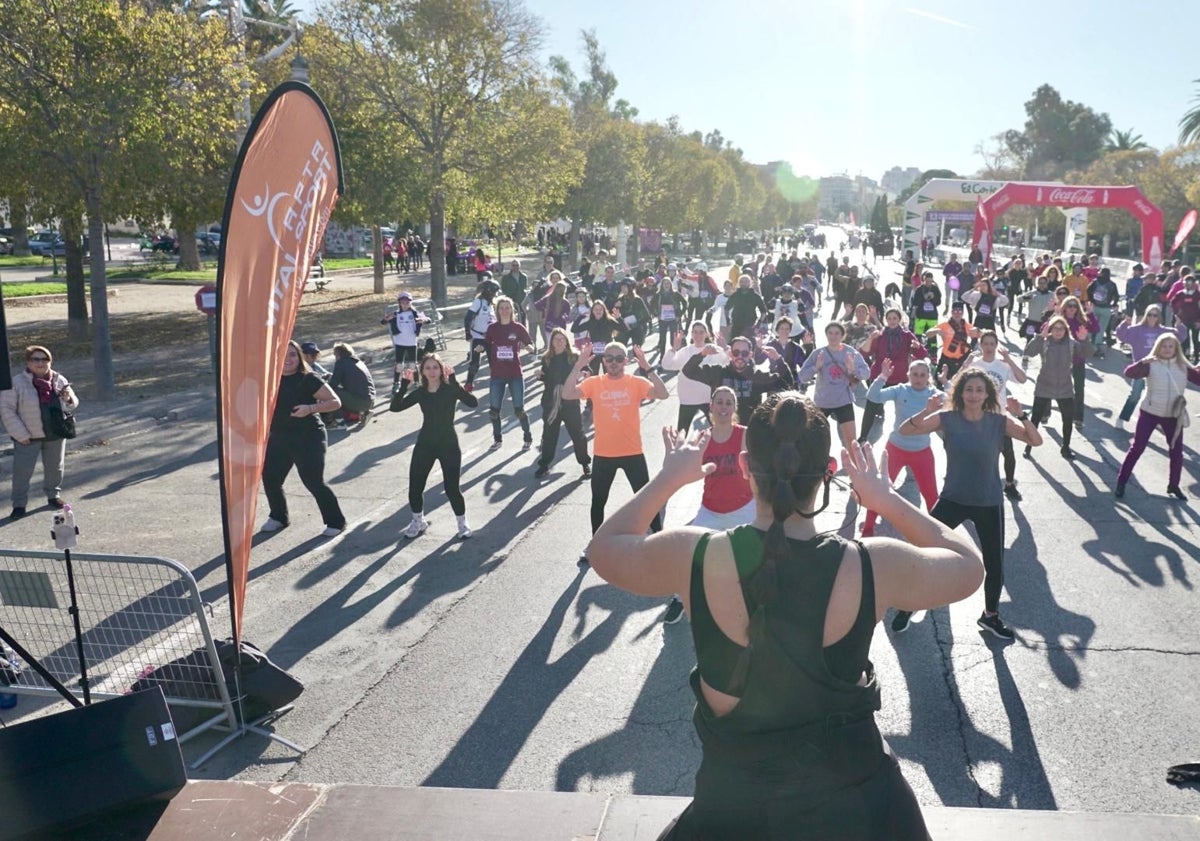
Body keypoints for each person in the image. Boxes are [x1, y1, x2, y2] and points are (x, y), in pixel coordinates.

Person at [587, 392, 984, 840]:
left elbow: (604, 549)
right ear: (829, 471)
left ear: (743, 465)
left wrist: (667, 478)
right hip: (861, 815)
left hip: (732, 815)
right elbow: (969, 567)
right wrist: (886, 498)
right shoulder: (872, 564)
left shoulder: (694, 555)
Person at [892, 369, 1042, 638]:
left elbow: (1035, 440)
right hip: (953, 498)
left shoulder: (999, 421)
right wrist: (926, 411)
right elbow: (904, 430)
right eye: (969, 389)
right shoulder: (947, 418)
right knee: (922, 550)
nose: (973, 394)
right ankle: (907, 605)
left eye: (979, 390)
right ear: (960, 392)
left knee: (994, 564)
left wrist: (1022, 415)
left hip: (988, 500)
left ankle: (990, 616)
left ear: (987, 395)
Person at [563, 342, 668, 563]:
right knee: (598, 501)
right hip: (604, 454)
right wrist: (578, 366)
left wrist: (647, 367)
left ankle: (658, 540)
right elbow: (567, 393)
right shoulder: (595, 383)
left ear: (626, 361)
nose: (614, 362)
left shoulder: (635, 382)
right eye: (609, 358)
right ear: (603, 361)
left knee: (646, 500)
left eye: (619, 358)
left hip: (632, 452)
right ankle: (595, 546)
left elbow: (663, 393)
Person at [259, 340, 346, 537]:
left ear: (299, 357)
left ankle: (336, 521)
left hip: (309, 437)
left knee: (313, 481)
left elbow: (335, 402)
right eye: (283, 355)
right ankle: (279, 517)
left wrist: (310, 408)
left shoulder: (308, 379)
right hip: (280, 437)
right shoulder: (269, 381)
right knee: (270, 477)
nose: (288, 360)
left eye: (292, 355)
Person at [390, 352, 479, 539]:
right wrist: (404, 384)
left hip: (448, 443)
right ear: (422, 371)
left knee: (451, 488)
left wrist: (455, 382)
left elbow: (472, 403)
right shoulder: (421, 393)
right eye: (427, 368)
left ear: (441, 370)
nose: (431, 371)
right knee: (415, 486)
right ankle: (418, 521)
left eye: (435, 367)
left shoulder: (450, 389)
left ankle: (462, 524)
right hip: (426, 444)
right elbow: (395, 407)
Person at [1114, 332, 1200, 499]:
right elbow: (1129, 373)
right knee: (1137, 448)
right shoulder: (1151, 364)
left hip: (1173, 415)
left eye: (1171, 346)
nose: (1167, 349)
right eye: (1164, 346)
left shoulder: (1183, 366)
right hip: (1150, 413)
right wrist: (1141, 362)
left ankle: (1173, 485)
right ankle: (1121, 482)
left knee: (1176, 452)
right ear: (1158, 347)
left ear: (1176, 348)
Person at [861, 359, 940, 539]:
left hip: (922, 451)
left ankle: (938, 533)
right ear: (908, 375)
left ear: (928, 377)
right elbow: (873, 396)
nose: (918, 378)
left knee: (932, 497)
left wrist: (948, 382)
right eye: (915, 374)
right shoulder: (900, 389)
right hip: (895, 449)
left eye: (922, 375)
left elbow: (956, 402)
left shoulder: (934, 394)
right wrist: (882, 376)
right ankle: (868, 528)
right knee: (880, 490)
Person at [0, 346, 79, 519]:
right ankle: (19, 505)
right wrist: (21, 434)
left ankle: (53, 496)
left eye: (45, 359)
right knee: (22, 472)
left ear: (50, 362)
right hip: (28, 437)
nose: (40, 363)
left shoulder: (58, 379)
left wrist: (68, 399)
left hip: (55, 433)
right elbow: (6, 410)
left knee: (55, 468)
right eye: (36, 359)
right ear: (28, 362)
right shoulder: (16, 383)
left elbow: (72, 403)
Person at [962, 331, 1029, 500]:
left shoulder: (1003, 365)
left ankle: (1009, 485)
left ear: (996, 345)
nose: (989, 347)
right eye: (986, 344)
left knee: (1009, 454)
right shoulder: (976, 364)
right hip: (979, 418)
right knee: (978, 454)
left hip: (1000, 416)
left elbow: (1022, 379)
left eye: (992, 344)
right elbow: (957, 383)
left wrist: (1009, 360)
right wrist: (966, 364)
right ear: (981, 345)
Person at [797, 322, 871, 458]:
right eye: (830, 333)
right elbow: (802, 377)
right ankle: (818, 471)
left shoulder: (850, 352)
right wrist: (816, 367)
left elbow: (866, 374)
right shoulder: (819, 353)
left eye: (837, 333)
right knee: (816, 441)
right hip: (822, 402)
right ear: (826, 335)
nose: (833, 336)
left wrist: (853, 368)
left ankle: (855, 476)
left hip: (844, 401)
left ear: (843, 336)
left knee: (851, 442)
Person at [682, 335, 791, 425]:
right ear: (730, 354)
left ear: (750, 355)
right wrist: (702, 354)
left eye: (744, 353)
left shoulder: (757, 377)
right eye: (736, 353)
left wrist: (778, 359)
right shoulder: (719, 372)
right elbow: (688, 371)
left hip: (747, 433)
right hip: (721, 430)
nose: (740, 356)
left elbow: (787, 383)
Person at [1023, 316, 1087, 460]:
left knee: (1067, 419)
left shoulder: (1072, 344)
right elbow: (1029, 351)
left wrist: (1084, 340)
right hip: (1044, 385)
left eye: (1061, 328)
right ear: (1050, 329)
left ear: (1066, 330)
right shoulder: (1044, 342)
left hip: (1064, 387)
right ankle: (1029, 446)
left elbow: (1087, 354)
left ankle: (1065, 447)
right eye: (1055, 328)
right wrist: (1040, 337)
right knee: (1035, 419)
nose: (1058, 331)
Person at [858, 309, 926, 443]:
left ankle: (910, 435)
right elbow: (864, 353)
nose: (892, 321)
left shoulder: (907, 335)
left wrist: (917, 347)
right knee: (871, 406)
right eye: (889, 318)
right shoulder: (880, 335)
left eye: (895, 318)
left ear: (899, 319)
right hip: (880, 376)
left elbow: (922, 355)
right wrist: (871, 338)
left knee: (906, 409)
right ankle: (863, 436)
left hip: (900, 378)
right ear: (886, 320)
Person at [534, 328, 591, 479]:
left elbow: (586, 370)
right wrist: (540, 375)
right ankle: (544, 465)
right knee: (549, 435)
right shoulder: (546, 358)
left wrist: (585, 374)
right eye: (556, 339)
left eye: (562, 339)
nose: (559, 342)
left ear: (567, 341)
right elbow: (548, 379)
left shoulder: (574, 357)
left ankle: (585, 463)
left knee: (577, 434)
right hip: (551, 402)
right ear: (551, 342)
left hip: (570, 402)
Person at [1115, 306, 1183, 423]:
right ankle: (1122, 418)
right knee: (1135, 395)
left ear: (1158, 317)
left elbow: (1179, 337)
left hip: (1158, 369)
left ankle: (1157, 421)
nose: (1152, 318)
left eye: (1155, 315)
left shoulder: (1163, 331)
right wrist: (1124, 324)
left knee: (1158, 397)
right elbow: (1122, 335)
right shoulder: (1137, 329)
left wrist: (1179, 326)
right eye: (1150, 315)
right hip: (1141, 368)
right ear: (1146, 315)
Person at [483, 296, 533, 451]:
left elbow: (529, 342)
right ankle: (497, 440)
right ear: (497, 311)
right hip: (497, 374)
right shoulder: (492, 328)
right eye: (501, 308)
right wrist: (480, 348)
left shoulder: (518, 327)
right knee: (494, 410)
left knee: (519, 409)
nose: (504, 311)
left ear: (512, 310)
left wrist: (530, 347)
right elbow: (485, 343)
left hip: (514, 373)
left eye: (507, 308)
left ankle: (527, 437)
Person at [662, 322, 721, 431]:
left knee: (719, 430)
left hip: (708, 399)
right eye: (695, 332)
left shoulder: (712, 349)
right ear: (691, 334)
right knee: (682, 434)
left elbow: (727, 361)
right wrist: (674, 348)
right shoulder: (685, 351)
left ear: (706, 334)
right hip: (688, 400)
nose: (698, 335)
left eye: (701, 332)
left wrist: (725, 348)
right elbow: (666, 365)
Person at [382, 291, 429, 394]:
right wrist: (387, 319)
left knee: (412, 365)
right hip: (399, 342)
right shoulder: (396, 314)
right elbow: (383, 321)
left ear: (410, 302)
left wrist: (423, 321)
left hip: (411, 342)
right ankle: (396, 384)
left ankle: (417, 382)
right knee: (399, 365)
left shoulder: (414, 313)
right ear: (399, 303)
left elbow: (427, 319)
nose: (405, 304)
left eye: (407, 302)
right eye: (403, 302)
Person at [926, 302, 978, 384]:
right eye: (955, 311)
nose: (957, 313)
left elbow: (979, 334)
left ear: (963, 313)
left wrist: (977, 332)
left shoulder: (967, 326)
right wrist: (936, 331)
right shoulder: (945, 325)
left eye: (960, 311)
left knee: (960, 382)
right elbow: (928, 334)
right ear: (951, 312)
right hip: (947, 358)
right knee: (938, 380)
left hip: (962, 358)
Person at [327, 342, 376, 426]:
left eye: (335, 355)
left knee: (330, 391)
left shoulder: (341, 363)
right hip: (370, 400)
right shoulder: (358, 362)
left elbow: (333, 384)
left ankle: (339, 421)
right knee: (346, 392)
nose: (335, 358)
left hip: (360, 402)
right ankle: (364, 413)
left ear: (339, 354)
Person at [464, 278, 499, 392]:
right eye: (494, 292)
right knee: (475, 364)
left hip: (489, 338)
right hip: (478, 338)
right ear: (489, 291)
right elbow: (468, 317)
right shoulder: (478, 302)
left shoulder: (491, 305)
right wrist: (468, 333)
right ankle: (468, 384)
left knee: (493, 363)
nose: (495, 295)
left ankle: (496, 383)